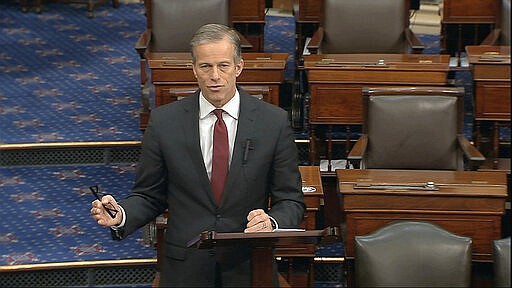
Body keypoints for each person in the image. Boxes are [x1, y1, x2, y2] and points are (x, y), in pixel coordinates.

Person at [90, 23, 305, 287]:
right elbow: (148, 194)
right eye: (206, 66)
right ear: (194, 70)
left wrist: (271, 222)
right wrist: (121, 214)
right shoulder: (163, 122)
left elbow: (291, 201)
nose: (215, 75)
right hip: (185, 267)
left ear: (239, 67)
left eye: (223, 65)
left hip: (249, 264)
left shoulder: (273, 122)